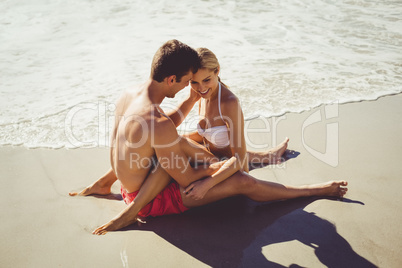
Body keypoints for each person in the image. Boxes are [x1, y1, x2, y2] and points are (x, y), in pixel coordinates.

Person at [70, 42, 348, 235]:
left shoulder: (130, 94)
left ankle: (104, 183)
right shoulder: (159, 122)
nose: (193, 88)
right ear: (172, 79)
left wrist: (217, 157)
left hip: (132, 181)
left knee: (181, 144)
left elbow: (147, 138)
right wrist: (218, 168)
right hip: (146, 200)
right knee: (240, 179)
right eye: (188, 81)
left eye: (203, 81)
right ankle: (314, 190)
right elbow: (188, 180)